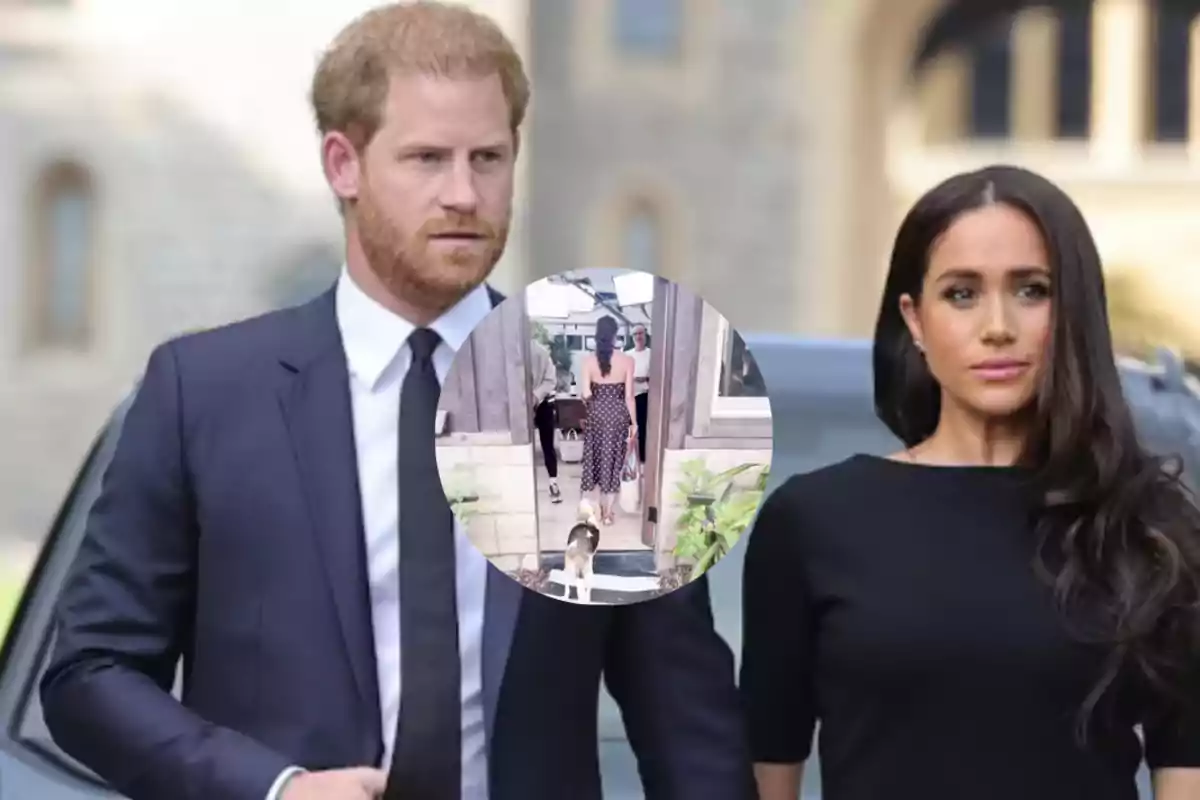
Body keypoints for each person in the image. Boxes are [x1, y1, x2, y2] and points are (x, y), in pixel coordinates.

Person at [37, 4, 754, 800]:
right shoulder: (203, 395)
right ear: (343, 164)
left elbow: (682, 710)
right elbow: (89, 674)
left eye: (489, 157)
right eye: (426, 159)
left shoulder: (599, 392)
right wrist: (271, 788)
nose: (463, 193)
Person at [740, 165, 1200, 800]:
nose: (998, 326)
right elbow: (769, 770)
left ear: (1074, 312)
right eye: (962, 294)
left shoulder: (1149, 526)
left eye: (1032, 290)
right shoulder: (812, 523)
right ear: (916, 321)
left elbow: (1187, 771)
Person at [580, 315, 637, 525]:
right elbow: (629, 396)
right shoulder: (628, 361)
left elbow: (586, 393)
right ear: (615, 335)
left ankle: (593, 508)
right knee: (613, 462)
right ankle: (607, 513)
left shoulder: (587, 361)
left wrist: (592, 403)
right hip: (618, 416)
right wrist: (634, 423)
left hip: (596, 414)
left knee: (595, 460)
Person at [530, 336, 561, 503]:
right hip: (538, 401)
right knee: (546, 446)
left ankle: (553, 483)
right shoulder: (542, 352)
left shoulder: (540, 352)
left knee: (546, 445)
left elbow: (551, 380)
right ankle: (553, 483)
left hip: (540, 403)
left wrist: (533, 396)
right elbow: (551, 380)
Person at [629, 324, 651, 473]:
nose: (638, 336)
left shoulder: (651, 354)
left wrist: (644, 379)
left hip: (645, 395)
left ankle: (642, 461)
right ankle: (629, 460)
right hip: (629, 396)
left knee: (642, 429)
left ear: (645, 335)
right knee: (629, 429)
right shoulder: (628, 355)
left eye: (641, 333)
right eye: (635, 334)